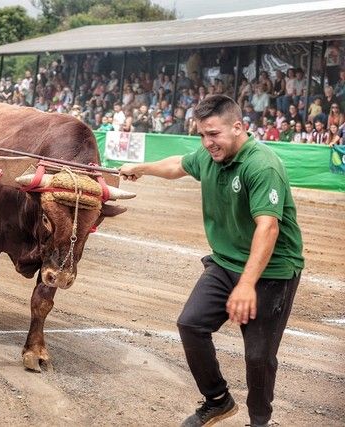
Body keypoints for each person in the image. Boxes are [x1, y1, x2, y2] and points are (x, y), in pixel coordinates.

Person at [119, 95, 304, 427]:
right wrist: (141, 168)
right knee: (191, 323)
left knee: (258, 357)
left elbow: (269, 227)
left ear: (238, 127)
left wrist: (247, 285)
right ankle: (217, 400)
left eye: (214, 134)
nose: (207, 143)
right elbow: (178, 164)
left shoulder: (261, 165)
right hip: (224, 262)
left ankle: (260, 421)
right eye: (202, 135)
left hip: (272, 270)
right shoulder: (208, 156)